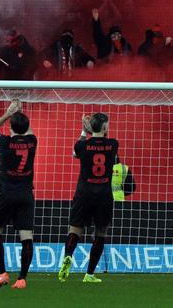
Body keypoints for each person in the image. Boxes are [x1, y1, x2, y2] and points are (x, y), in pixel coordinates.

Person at [58, 113, 118, 283]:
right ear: (105, 127)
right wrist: (93, 130)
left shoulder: (82, 145)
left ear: (92, 128)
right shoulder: (113, 145)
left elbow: (75, 154)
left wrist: (85, 132)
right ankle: (89, 274)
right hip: (104, 195)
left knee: (75, 229)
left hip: (83, 193)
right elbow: (103, 143)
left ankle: (68, 256)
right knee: (100, 232)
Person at [0, 100, 38, 289]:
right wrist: (21, 115)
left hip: (6, 195)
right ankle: (22, 278)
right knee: (26, 236)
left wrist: (8, 114)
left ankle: (3, 273)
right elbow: (28, 131)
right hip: (25, 195)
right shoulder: (32, 142)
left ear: (10, 127)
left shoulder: (5, 142)